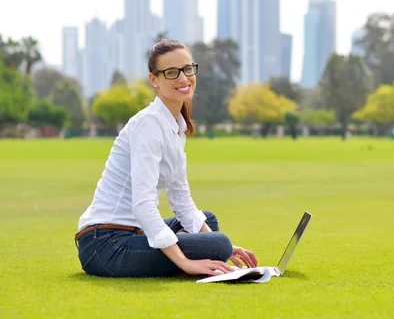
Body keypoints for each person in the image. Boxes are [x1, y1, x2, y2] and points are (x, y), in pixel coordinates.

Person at [75, 39, 257, 277]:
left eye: (188, 69)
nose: (183, 79)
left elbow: (181, 200)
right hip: (106, 245)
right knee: (217, 245)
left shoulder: (175, 127)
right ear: (154, 79)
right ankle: (181, 261)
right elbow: (142, 204)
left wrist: (224, 247)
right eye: (172, 73)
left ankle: (177, 256)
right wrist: (187, 262)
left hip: (135, 233)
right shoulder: (148, 124)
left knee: (208, 223)